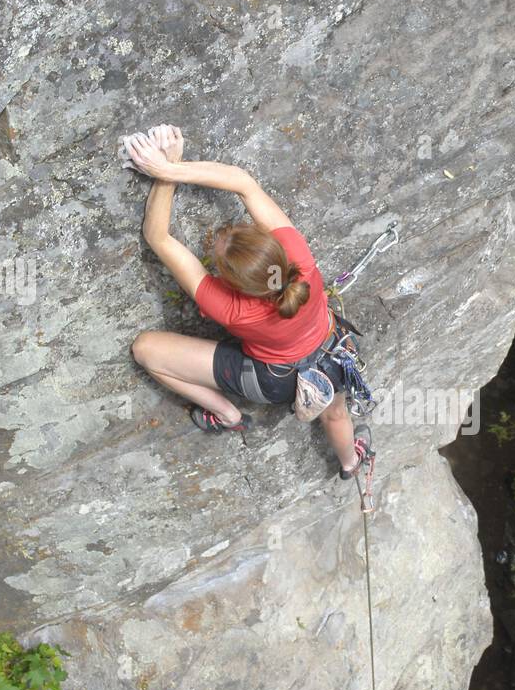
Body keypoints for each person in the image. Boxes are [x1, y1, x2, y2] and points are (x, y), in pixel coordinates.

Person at [124, 125, 370, 479]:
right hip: (333, 356)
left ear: (231, 284)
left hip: (273, 381)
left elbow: (157, 236)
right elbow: (244, 183)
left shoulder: (230, 309)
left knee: (146, 350)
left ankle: (227, 415)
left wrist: (166, 173)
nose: (224, 234)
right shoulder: (298, 257)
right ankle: (351, 462)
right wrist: (171, 167)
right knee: (335, 412)